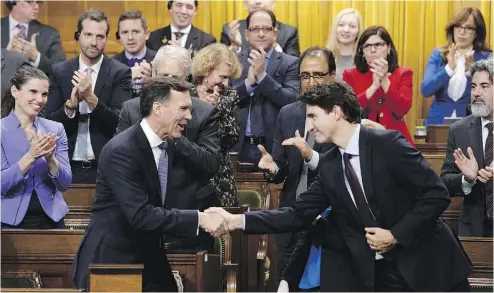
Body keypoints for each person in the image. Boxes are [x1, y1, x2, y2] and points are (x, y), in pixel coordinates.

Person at [207, 82, 472, 292]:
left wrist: (395, 235)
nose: (308, 125)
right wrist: (237, 221)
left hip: (431, 266)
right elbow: (297, 214)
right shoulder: (332, 165)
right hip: (381, 275)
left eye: (313, 116)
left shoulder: (386, 143)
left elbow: (436, 195)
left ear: (336, 111)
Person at [71, 76, 227, 292]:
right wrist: (199, 218)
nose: (189, 116)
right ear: (158, 108)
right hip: (113, 261)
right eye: (183, 108)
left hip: (149, 254)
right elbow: (140, 215)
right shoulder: (122, 151)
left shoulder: (169, 144)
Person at [117, 44, 221, 253]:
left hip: (186, 224)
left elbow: (210, 164)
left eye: (174, 79)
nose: (166, 85)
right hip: (140, 222)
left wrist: (174, 135)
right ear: (152, 74)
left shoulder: (203, 113)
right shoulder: (132, 109)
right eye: (162, 76)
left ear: (187, 81)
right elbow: (120, 163)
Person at [43, 9, 132, 184]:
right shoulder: (59, 72)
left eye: (100, 36)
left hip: (106, 167)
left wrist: (91, 98)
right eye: (88, 35)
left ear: (106, 38)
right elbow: (48, 124)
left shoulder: (120, 73)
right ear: (78, 36)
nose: (94, 42)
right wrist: (70, 105)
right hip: (65, 165)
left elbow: (122, 124)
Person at [1, 66, 72, 229]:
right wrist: (31, 156)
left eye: (44, 94)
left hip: (52, 220)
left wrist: (50, 158)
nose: (40, 100)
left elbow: (65, 183)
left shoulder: (56, 130)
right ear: (15, 91)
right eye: (33, 92)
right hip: (7, 222)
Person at [230, 9, 299, 165]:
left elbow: (293, 101)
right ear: (246, 34)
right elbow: (224, 100)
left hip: (275, 147)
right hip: (239, 146)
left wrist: (262, 77)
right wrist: (248, 84)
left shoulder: (291, 63)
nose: (261, 34)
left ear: (275, 33)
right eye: (255, 29)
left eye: (266, 29)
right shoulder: (233, 61)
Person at [441, 56, 493, 237]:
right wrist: (467, 179)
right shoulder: (459, 130)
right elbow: (445, 181)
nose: (476, 92)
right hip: (473, 230)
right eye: (473, 86)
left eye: (484, 86)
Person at [343, 25, 414, 145]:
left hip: (395, 140)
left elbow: (401, 109)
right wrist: (373, 88)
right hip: (361, 140)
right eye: (367, 46)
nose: (373, 50)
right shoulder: (350, 75)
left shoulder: (404, 73)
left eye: (378, 45)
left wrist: (384, 81)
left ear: (389, 48)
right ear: (362, 51)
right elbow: (348, 111)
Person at [421, 7, 491, 125]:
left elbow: (488, 96)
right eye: (458, 26)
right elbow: (426, 90)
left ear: (477, 33)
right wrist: (448, 69)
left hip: (472, 122)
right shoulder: (438, 55)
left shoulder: (487, 58)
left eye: (468, 27)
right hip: (438, 123)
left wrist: (471, 74)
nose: (462, 32)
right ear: (452, 29)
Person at [192, 43, 242, 207]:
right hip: (189, 171)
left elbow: (231, 139)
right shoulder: (185, 91)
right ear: (207, 70)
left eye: (228, 78)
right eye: (222, 77)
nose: (226, 83)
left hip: (220, 175)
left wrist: (218, 110)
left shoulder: (229, 95)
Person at [1, 0, 66, 75]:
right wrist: (6, 55)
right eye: (30, 2)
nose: (36, 7)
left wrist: (36, 57)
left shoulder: (50, 34)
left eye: (38, 2)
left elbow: (62, 69)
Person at [221, 0, 300, 57]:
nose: (257, 2)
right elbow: (220, 66)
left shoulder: (289, 32)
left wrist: (274, 45)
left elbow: (294, 66)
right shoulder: (231, 30)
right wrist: (235, 47)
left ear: (273, 4)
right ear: (245, 4)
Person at [113, 10, 156, 98]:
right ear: (119, 37)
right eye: (125, 32)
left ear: (147, 34)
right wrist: (127, 81)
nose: (130, 38)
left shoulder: (159, 60)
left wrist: (153, 81)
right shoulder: (111, 65)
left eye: (135, 32)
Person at [147, 0, 216, 53]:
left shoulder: (207, 41)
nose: (183, 11)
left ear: (196, 11)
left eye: (189, 7)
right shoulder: (152, 38)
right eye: (179, 5)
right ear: (170, 7)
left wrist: (182, 55)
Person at [326, 8, 363, 81]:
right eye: (341, 25)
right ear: (335, 28)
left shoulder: (365, 59)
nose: (346, 30)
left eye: (352, 26)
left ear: (359, 30)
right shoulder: (324, 58)